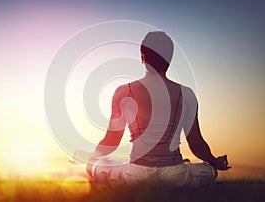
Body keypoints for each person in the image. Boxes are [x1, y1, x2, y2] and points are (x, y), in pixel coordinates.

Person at [73, 31, 230, 187]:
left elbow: (111, 141)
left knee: (94, 164)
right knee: (209, 170)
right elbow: (196, 144)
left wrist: (90, 156)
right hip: (175, 174)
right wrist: (215, 161)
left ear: (142, 57)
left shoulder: (123, 91)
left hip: (136, 174)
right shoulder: (186, 94)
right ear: (169, 59)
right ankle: (184, 168)